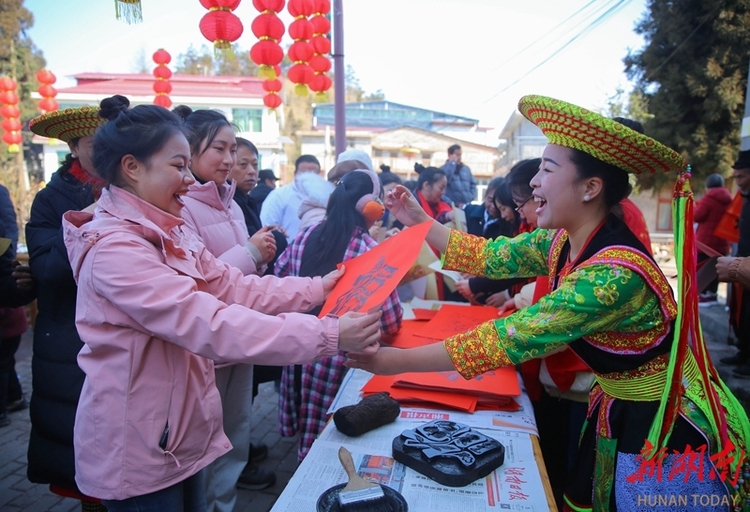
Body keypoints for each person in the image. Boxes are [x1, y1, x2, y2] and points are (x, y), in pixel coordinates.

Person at [348, 95, 750, 511]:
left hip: (658, 423)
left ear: (591, 188)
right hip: (618, 403)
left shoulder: (614, 277)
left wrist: (390, 362)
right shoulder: (562, 240)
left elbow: (505, 338)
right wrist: (418, 218)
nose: (535, 182)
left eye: (548, 169)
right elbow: (488, 256)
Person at [62, 96, 382, 511]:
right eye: (179, 167)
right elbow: (208, 321)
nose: (190, 181)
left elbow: (231, 285)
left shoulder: (168, 229)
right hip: (139, 443)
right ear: (132, 167)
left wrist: (317, 288)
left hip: (176, 431)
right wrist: (327, 333)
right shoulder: (116, 250)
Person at [174, 106, 278, 505]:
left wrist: (258, 255)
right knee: (206, 443)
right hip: (206, 343)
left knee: (236, 432)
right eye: (220, 148)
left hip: (239, 332)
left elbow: (239, 270)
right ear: (191, 150)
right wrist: (250, 251)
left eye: (233, 149)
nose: (230, 160)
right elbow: (197, 279)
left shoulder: (231, 203)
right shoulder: (181, 205)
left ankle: (226, 503)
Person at [276, 169, 402, 461]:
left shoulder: (305, 234)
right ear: (371, 207)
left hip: (297, 345)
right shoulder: (372, 251)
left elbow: (279, 279)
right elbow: (392, 320)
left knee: (305, 416)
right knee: (329, 433)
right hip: (338, 360)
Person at [26, 106, 108, 511]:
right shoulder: (49, 200)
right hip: (69, 344)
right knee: (86, 466)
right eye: (97, 144)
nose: (108, 152)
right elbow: (48, 268)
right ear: (75, 147)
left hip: (128, 340)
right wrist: (87, 221)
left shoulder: (137, 187)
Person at [720, 150, 750, 376]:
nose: (738, 183)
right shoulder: (745, 200)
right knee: (743, 311)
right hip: (742, 265)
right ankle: (743, 351)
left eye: (741, 177)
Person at [260, 155, 321, 239]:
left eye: (313, 173)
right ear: (295, 173)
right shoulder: (279, 196)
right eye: (304, 173)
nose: (309, 177)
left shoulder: (324, 198)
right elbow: (267, 226)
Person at [694, 173, 732, 306]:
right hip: (722, 241)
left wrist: (692, 207)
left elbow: (697, 216)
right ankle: (712, 295)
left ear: (708, 186)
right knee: (716, 269)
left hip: (706, 242)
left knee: (703, 268)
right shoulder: (729, 199)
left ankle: (703, 295)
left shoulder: (709, 198)